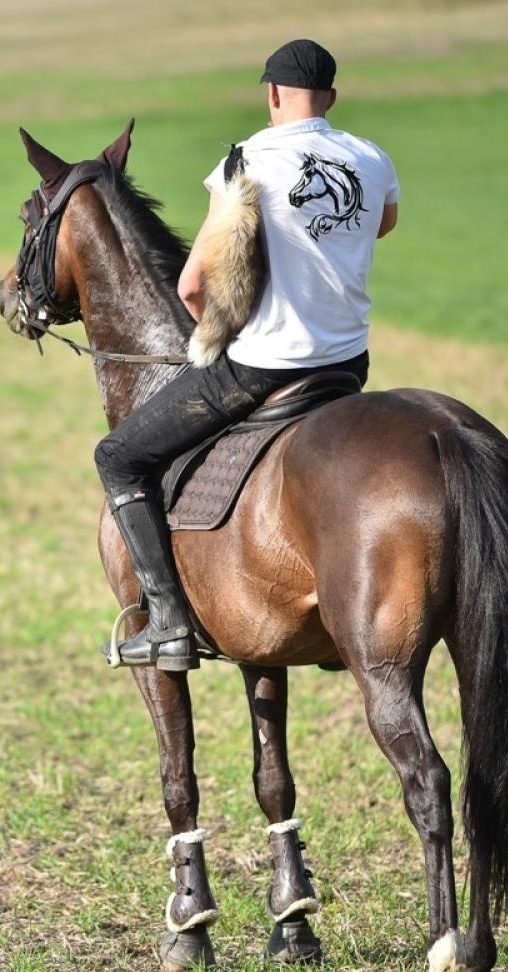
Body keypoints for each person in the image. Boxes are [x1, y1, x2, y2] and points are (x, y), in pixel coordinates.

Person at [94, 38, 400, 671]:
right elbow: (383, 224)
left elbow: (194, 284)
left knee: (119, 457)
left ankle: (170, 625)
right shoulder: (371, 159)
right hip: (346, 367)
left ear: (272, 95)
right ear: (333, 99)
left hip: (265, 365)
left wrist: (217, 331)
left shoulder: (249, 160)